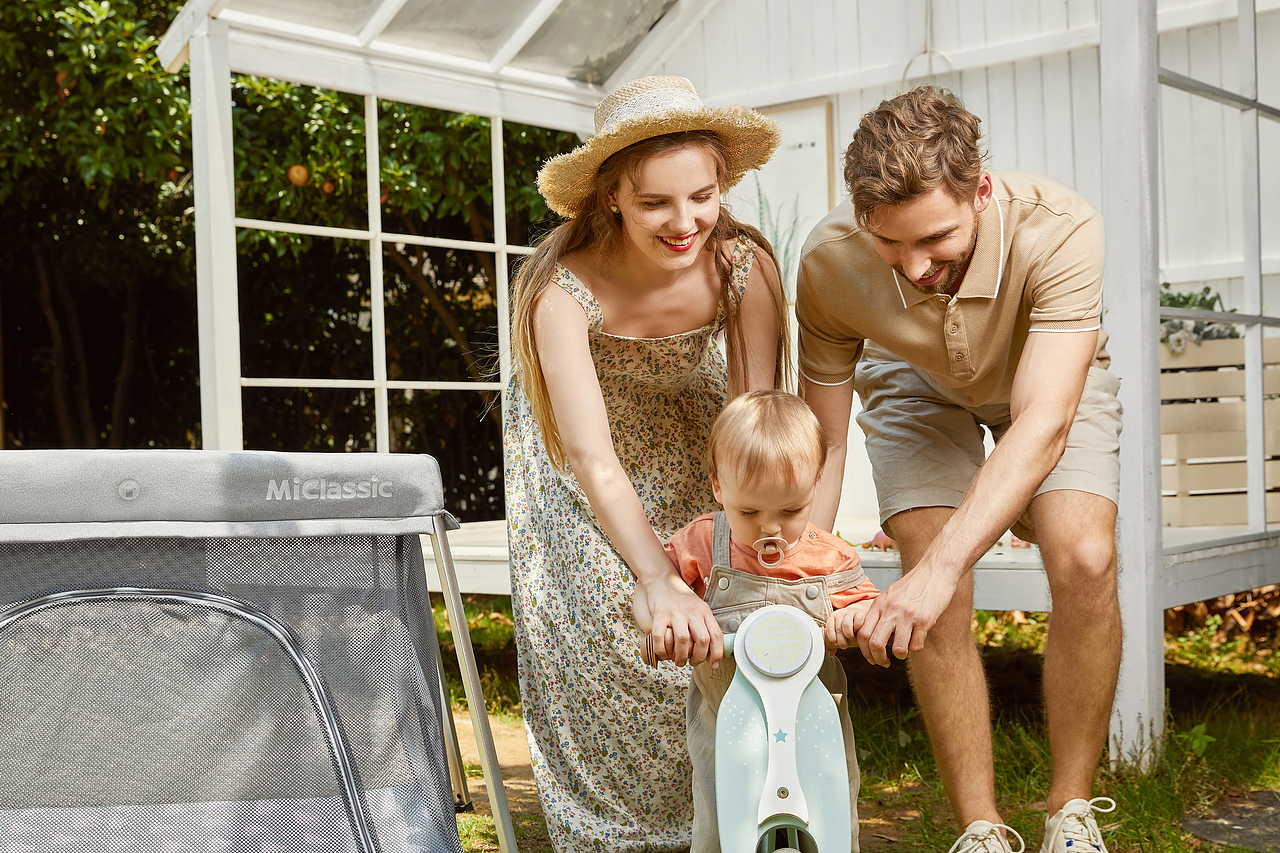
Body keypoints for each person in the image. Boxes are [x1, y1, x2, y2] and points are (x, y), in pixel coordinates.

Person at [797, 86, 1123, 853]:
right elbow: (825, 441)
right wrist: (797, 563)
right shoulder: (829, 264)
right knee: (928, 571)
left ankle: (1069, 812)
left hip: (1037, 381)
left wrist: (942, 568)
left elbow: (1043, 423)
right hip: (911, 381)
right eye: (890, 245)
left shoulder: (1063, 228)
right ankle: (980, 826)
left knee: (1086, 557)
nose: (913, 267)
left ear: (981, 189)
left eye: (935, 239)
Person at [504, 75, 790, 852]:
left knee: (721, 608)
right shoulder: (559, 292)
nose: (684, 221)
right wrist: (654, 576)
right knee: (616, 618)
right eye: (656, 203)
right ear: (612, 200)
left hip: (699, 433)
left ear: (721, 186)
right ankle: (620, 832)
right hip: (582, 457)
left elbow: (752, 417)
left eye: (700, 197)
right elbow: (592, 456)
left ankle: (724, 815)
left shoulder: (743, 266)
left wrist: (740, 547)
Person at [651, 389, 879, 853]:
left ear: (816, 483)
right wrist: (665, 623)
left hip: (814, 721)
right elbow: (651, 591)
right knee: (720, 823)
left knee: (831, 812)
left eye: (791, 511)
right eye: (749, 512)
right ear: (718, 487)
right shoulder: (701, 546)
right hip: (723, 717)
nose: (769, 528)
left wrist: (852, 621)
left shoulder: (827, 556)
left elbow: (868, 610)